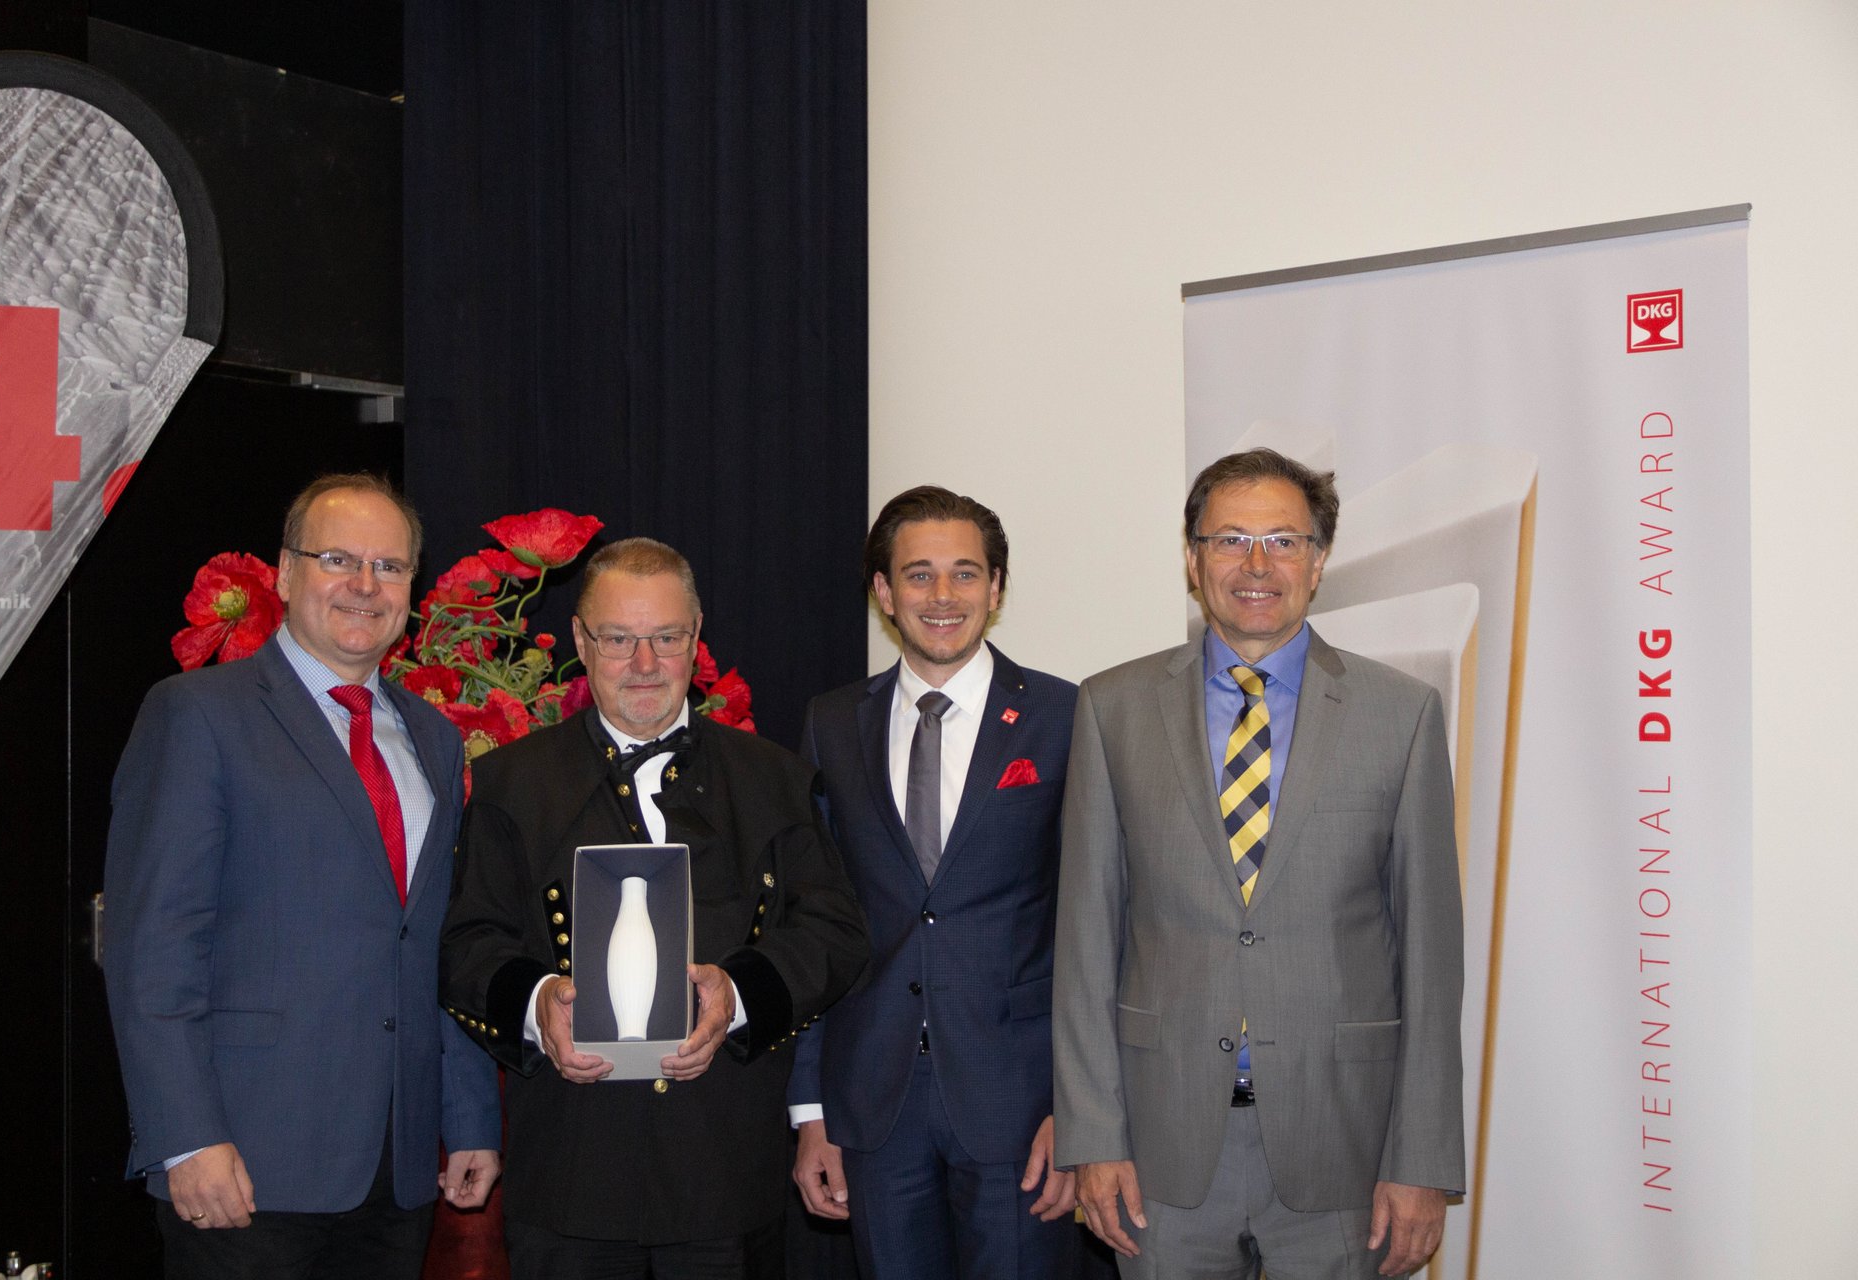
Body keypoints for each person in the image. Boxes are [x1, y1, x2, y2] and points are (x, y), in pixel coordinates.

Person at [1054, 448, 1465, 1279]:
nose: (1256, 565)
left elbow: (1430, 955)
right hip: (1161, 1152)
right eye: (1229, 539)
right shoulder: (1112, 709)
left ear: (1318, 562)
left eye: (1283, 540)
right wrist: (1091, 1138)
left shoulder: (1402, 715)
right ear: (1192, 558)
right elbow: (1085, 941)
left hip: (1342, 1143)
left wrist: (1421, 1158)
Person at [104, 473, 502, 1279]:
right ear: (284, 576)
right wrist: (184, 1135)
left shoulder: (431, 737)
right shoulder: (198, 714)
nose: (365, 585)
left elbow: (432, 946)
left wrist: (469, 1119)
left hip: (396, 1174)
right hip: (246, 1163)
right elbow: (152, 947)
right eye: (338, 559)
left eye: (389, 567)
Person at [439, 536, 869, 1279]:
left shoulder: (775, 779)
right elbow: (465, 946)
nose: (644, 665)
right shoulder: (510, 784)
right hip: (571, 1176)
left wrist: (738, 994)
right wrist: (539, 1002)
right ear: (580, 640)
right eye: (619, 639)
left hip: (725, 1173)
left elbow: (835, 933)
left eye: (666, 638)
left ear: (696, 637)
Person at [790, 486, 1079, 1277]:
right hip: (872, 1109)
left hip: (1022, 1107)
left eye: (964, 574)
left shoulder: (1065, 716)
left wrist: (1081, 1112)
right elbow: (816, 923)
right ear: (884, 592)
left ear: (996, 587)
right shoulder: (832, 722)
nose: (942, 596)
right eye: (918, 575)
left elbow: (1096, 926)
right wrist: (812, 1109)